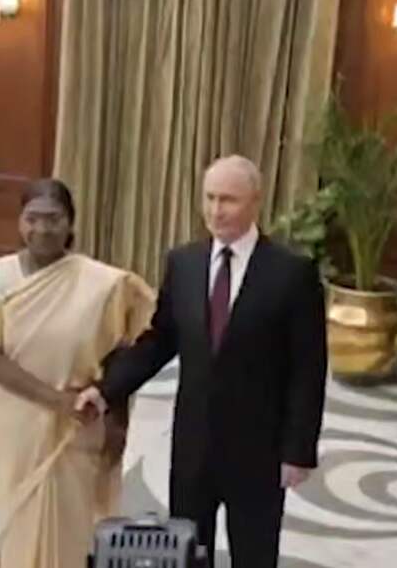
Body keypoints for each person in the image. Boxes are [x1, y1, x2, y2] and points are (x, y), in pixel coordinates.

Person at [76, 155, 328, 568]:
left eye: (228, 199)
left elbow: (308, 369)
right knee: (189, 554)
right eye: (209, 198)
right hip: (194, 446)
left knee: (255, 556)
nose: (215, 210)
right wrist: (107, 390)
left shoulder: (292, 274)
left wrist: (298, 450)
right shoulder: (184, 263)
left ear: (256, 201)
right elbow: (160, 340)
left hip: (259, 451)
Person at [0, 178, 155, 568]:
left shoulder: (100, 283)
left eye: (53, 218)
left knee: (72, 524)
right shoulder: (0, 275)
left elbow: (126, 346)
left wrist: (116, 418)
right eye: (32, 218)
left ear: (70, 222)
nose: (42, 229)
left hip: (78, 423)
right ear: (19, 221)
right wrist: (57, 401)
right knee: (18, 519)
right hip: (14, 423)